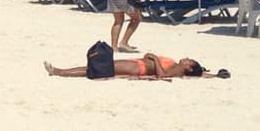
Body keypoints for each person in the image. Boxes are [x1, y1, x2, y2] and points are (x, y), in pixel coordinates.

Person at [44, 54, 215, 79]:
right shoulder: (178, 65)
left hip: (137, 68)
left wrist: (154, 58)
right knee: (98, 66)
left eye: (189, 61)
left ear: (189, 68)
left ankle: (59, 72)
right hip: (137, 64)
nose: (186, 58)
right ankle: (60, 71)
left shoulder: (178, 70)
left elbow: (162, 75)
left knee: (97, 69)